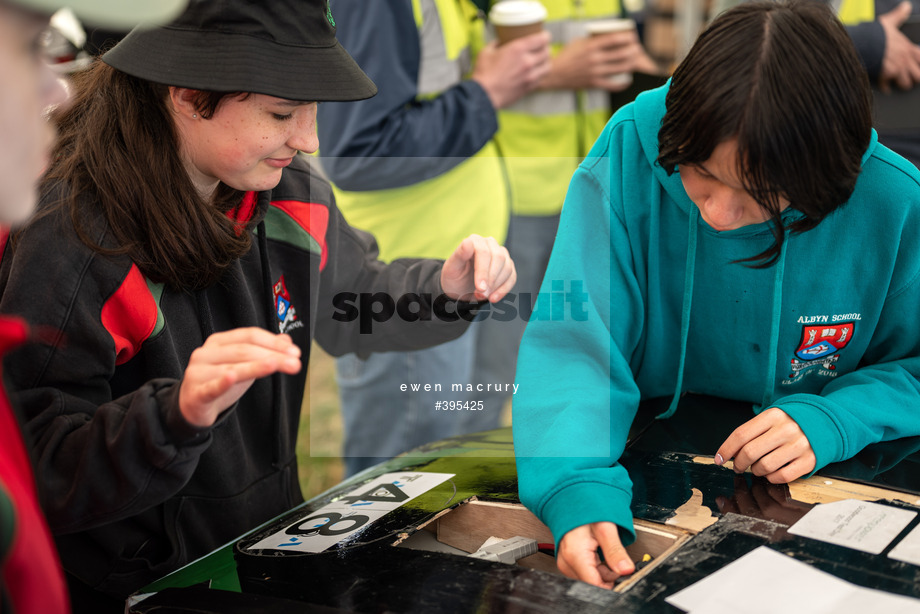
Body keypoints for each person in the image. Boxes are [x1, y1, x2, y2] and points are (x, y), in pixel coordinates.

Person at [0, 0, 515, 609]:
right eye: (282, 112)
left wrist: (444, 290)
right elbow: (44, 463)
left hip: (263, 545)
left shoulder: (292, 192)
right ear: (189, 96)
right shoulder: (74, 241)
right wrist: (174, 417)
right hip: (135, 584)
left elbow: (354, 300)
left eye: (314, 110)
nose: (309, 139)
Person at [513, 0, 920, 590]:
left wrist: (838, 416)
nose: (720, 215)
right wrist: (574, 486)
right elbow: (576, 347)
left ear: (828, 176)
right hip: (642, 464)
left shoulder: (894, 200)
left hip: (824, 488)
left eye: (762, 193)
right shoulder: (628, 149)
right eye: (699, 170)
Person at [0, 1, 185, 612]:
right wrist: (175, 420)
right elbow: (50, 452)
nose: (62, 86)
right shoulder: (71, 236)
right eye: (33, 47)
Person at [316, 0, 551, 476]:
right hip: (400, 288)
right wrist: (486, 94)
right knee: (395, 484)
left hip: (448, 281)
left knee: (445, 469)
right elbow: (358, 154)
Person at [475, 0, 668, 420]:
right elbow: (466, 81)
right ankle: (467, 471)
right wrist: (559, 72)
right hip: (517, 197)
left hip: (589, 198)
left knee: (580, 354)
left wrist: (642, 68)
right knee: (496, 368)